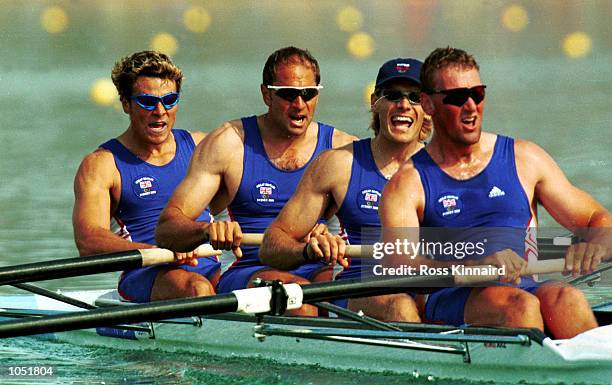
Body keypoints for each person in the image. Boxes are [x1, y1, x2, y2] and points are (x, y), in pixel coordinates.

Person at [379, 46, 610, 338]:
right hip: (455, 296)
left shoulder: (525, 158)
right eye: (457, 98)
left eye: (477, 94)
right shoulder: (406, 184)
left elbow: (597, 219)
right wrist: (477, 264)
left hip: (523, 285)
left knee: (569, 299)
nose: (471, 106)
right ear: (428, 104)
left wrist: (595, 247)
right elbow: (400, 266)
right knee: (520, 307)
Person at [156, 46, 356, 316]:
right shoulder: (230, 143)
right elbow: (167, 230)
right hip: (251, 270)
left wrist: (337, 237)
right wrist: (205, 231)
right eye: (287, 94)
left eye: (308, 93)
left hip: (318, 268)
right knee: (302, 302)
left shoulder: (344, 150)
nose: (299, 104)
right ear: (266, 94)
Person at [260, 58, 431, 322]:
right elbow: (272, 245)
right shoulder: (339, 165)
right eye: (393, 95)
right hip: (360, 291)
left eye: (415, 97)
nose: (404, 105)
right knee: (401, 307)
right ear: (375, 101)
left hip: (430, 289)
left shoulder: (453, 169)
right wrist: (308, 250)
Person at [72, 50, 221, 303]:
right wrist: (159, 251)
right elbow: (89, 241)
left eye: (170, 100)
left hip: (207, 265)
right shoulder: (102, 164)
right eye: (147, 102)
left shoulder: (202, 146)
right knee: (199, 290)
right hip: (147, 272)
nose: (160, 111)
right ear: (125, 103)